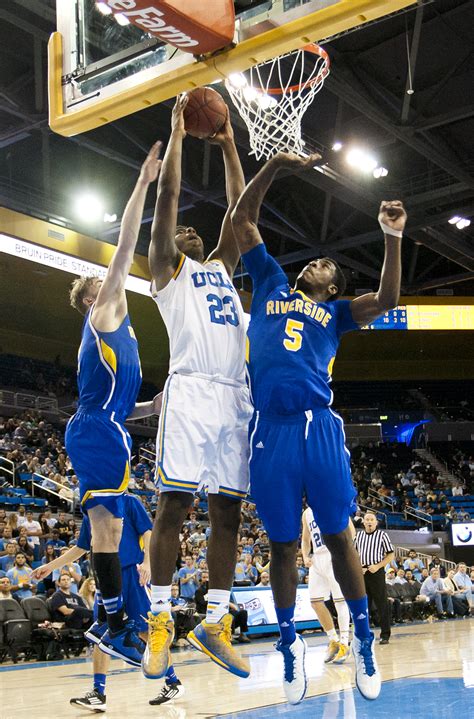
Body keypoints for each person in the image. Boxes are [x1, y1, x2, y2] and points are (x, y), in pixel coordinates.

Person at [231, 149, 406, 704]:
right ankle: (288, 651)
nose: (316, 264)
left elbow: (390, 298)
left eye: (327, 265)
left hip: (318, 426)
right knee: (283, 548)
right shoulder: (273, 283)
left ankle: (362, 645)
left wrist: (392, 237)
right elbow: (241, 221)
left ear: (334, 285)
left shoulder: (336, 314)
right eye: (315, 261)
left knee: (339, 536)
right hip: (270, 429)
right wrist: (276, 166)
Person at [142, 95, 252, 682]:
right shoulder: (167, 270)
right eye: (180, 230)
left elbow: (238, 213)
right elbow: (167, 200)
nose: (187, 228)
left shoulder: (220, 269)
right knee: (174, 506)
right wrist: (180, 132)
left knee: (228, 514)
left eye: (194, 229)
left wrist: (231, 142)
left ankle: (215, 621)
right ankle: (159, 621)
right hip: (189, 393)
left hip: (233, 396)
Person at [64, 142, 163, 666]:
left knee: (110, 528)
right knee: (111, 528)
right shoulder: (101, 312)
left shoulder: (125, 338)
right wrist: (144, 183)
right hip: (96, 429)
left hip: (109, 428)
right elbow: (125, 243)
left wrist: (156, 405)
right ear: (90, 298)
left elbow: (130, 411)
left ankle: (110, 620)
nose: (113, 280)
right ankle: (113, 619)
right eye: (101, 282)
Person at [33, 492, 183, 711]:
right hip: (105, 578)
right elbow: (82, 547)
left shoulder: (129, 501)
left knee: (145, 632)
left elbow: (148, 532)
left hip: (132, 573)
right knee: (103, 633)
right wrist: (50, 567)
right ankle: (98, 692)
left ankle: (172, 681)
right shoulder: (90, 507)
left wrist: (148, 563)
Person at [301, 507, 351, 664]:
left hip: (333, 555)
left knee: (340, 601)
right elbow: (305, 538)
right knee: (315, 602)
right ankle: (333, 640)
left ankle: (344, 642)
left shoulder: (332, 501)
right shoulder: (307, 513)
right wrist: (305, 555)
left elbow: (351, 530)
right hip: (317, 559)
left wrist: (345, 552)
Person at [355, 512, 395, 644]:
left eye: (372, 520)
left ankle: (385, 634)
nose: (369, 522)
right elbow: (353, 554)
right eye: (367, 520)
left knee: (381, 604)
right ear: (364, 522)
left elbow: (390, 555)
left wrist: (378, 566)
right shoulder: (359, 535)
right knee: (363, 605)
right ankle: (364, 635)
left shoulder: (382, 535)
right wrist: (358, 566)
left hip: (376, 572)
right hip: (362, 572)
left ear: (376, 522)